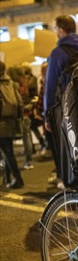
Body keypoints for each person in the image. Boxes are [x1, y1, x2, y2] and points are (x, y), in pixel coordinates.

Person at [44, 15, 78, 186]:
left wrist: (48, 115)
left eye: (55, 29)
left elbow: (50, 86)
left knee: (67, 145)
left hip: (67, 107)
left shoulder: (57, 53)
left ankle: (70, 180)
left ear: (60, 30)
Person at [0, 61, 24, 189]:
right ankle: (7, 178)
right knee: (7, 150)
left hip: (1, 123)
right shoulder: (12, 84)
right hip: (11, 122)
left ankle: (18, 178)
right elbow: (20, 103)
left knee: (7, 152)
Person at [7, 66, 35, 170]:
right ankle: (28, 161)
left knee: (8, 143)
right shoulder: (23, 85)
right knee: (26, 138)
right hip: (26, 115)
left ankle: (8, 164)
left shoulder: (11, 87)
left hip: (15, 117)